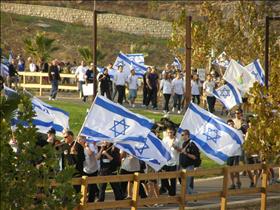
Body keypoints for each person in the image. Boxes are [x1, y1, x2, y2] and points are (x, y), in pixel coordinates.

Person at [78, 136, 100, 202]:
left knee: (92, 187)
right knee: (86, 185)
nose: (79, 141)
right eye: (78, 140)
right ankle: (87, 198)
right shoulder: (79, 147)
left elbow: (90, 153)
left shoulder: (90, 145)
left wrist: (85, 146)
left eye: (80, 139)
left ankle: (91, 201)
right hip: (85, 169)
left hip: (93, 169)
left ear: (84, 139)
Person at [160, 127, 181, 196]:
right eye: (168, 132)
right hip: (166, 162)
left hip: (174, 162)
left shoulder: (177, 140)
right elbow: (162, 149)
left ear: (173, 133)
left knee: (172, 179)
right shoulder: (165, 139)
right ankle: (169, 190)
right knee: (163, 178)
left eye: (171, 132)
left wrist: (175, 147)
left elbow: (181, 150)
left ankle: (172, 195)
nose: (169, 134)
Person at [179, 129, 201, 194]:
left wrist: (186, 153)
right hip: (182, 166)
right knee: (184, 184)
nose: (182, 136)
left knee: (186, 184)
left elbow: (195, 157)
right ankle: (193, 194)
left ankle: (185, 201)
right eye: (181, 135)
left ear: (187, 135)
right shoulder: (183, 144)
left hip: (189, 166)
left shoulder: (192, 144)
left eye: (183, 135)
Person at [226, 119, 242, 189]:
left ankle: (238, 181)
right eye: (229, 124)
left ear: (233, 124)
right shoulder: (225, 133)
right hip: (229, 153)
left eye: (231, 124)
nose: (231, 125)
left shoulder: (238, 132)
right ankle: (232, 184)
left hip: (236, 153)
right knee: (230, 169)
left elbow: (241, 140)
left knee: (235, 169)